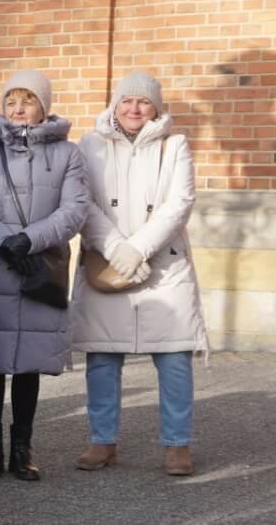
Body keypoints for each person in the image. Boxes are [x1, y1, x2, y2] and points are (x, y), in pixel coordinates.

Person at [0, 70, 88, 481]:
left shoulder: (69, 154)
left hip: (38, 269)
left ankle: (22, 448)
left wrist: (30, 238)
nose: (19, 109)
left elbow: (75, 209)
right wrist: (3, 239)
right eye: (11, 101)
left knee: (28, 366)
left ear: (43, 107)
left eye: (28, 101)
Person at [70, 71, 208, 475]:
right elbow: (83, 201)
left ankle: (177, 445)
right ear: (114, 104)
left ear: (156, 107)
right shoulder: (89, 146)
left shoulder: (174, 145)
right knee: (102, 358)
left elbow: (179, 202)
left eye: (143, 102)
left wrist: (139, 248)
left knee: (174, 358)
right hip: (106, 263)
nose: (134, 109)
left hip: (163, 266)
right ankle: (102, 441)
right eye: (126, 101)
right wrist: (117, 249)